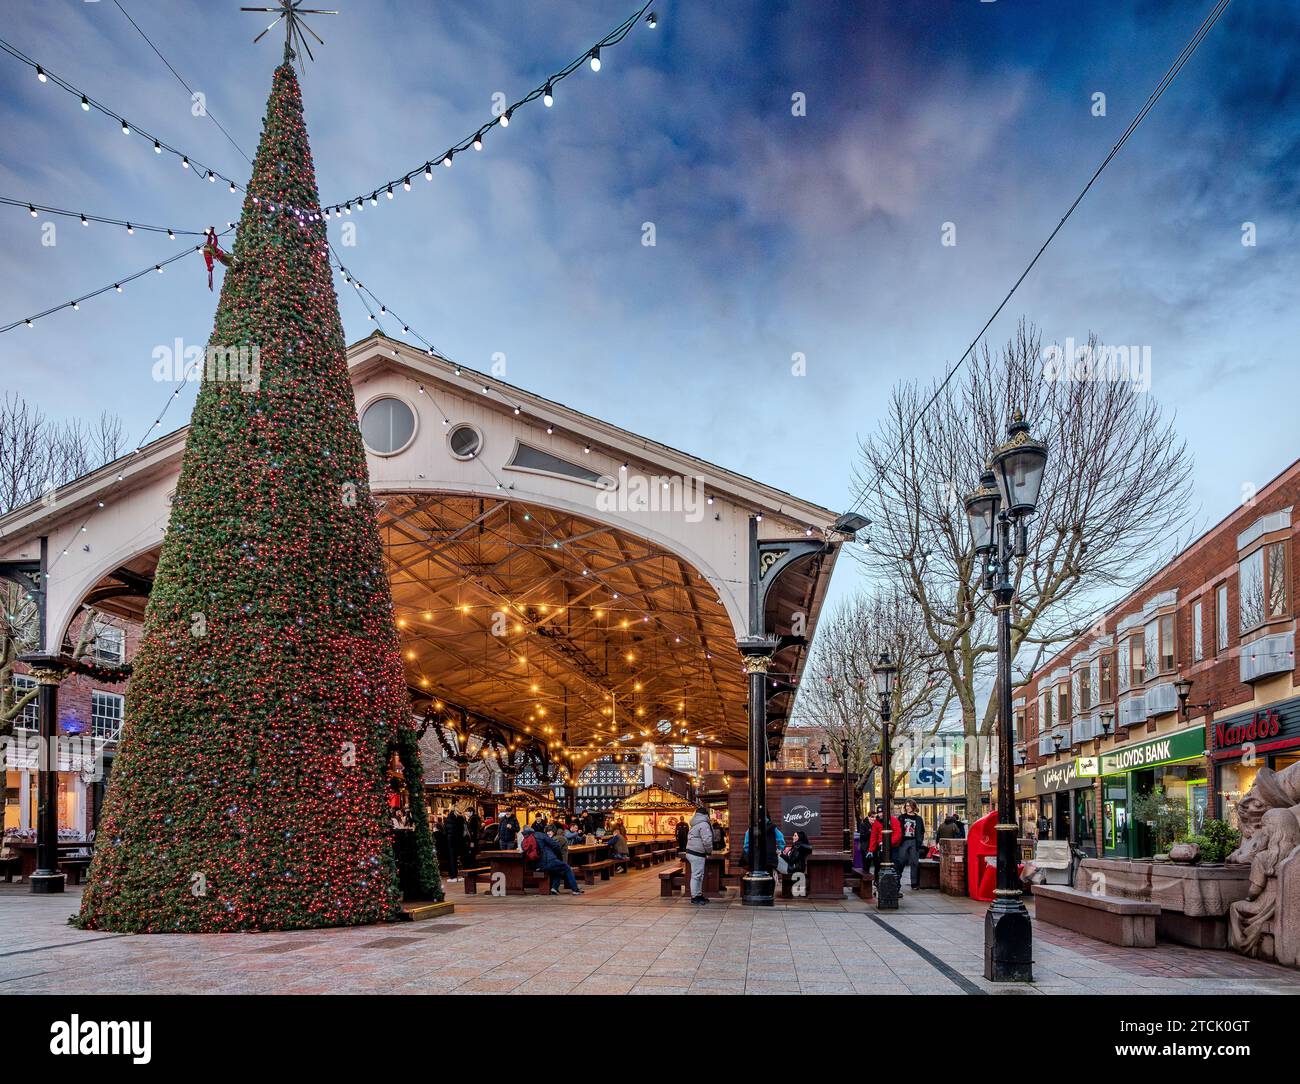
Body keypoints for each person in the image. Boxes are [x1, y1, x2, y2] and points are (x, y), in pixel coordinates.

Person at [533, 823, 582, 895]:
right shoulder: (554, 839)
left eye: (550, 831)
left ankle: (554, 888)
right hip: (548, 862)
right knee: (567, 868)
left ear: (554, 831)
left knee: (559, 870)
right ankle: (575, 889)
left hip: (542, 864)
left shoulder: (544, 839)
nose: (548, 833)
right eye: (547, 831)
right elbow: (557, 850)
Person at [684, 805, 714, 905]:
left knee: (698, 875)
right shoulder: (704, 824)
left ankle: (698, 894)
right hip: (697, 853)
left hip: (691, 852)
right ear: (706, 815)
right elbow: (707, 840)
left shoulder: (695, 823)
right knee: (697, 875)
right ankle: (695, 897)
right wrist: (709, 851)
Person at [897, 800, 925, 889]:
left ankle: (914, 883)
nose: (907, 807)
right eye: (906, 806)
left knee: (914, 863)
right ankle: (897, 881)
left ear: (913, 806)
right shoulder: (901, 817)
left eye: (909, 806)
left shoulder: (919, 819)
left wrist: (919, 841)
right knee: (901, 861)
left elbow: (922, 831)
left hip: (914, 841)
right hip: (903, 841)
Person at [869, 805, 901, 874]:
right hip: (881, 847)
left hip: (893, 847)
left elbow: (897, 834)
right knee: (879, 864)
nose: (880, 814)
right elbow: (873, 837)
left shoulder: (893, 820)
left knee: (895, 864)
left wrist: (888, 843)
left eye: (882, 812)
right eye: (879, 812)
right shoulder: (876, 823)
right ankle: (877, 880)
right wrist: (871, 850)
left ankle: (896, 881)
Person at [444, 807, 465, 881]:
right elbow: (462, 829)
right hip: (460, 841)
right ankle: (463, 875)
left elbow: (446, 831)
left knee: (452, 858)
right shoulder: (461, 819)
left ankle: (454, 876)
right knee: (462, 857)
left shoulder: (448, 819)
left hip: (451, 841)